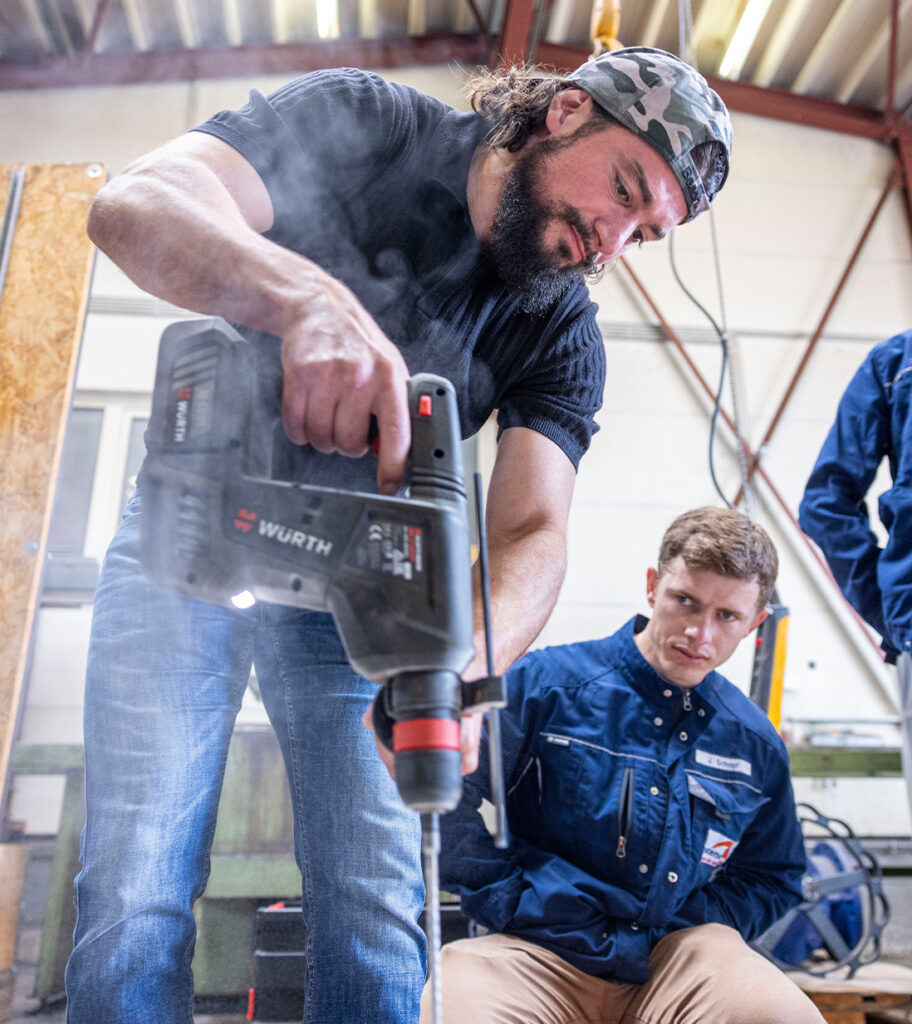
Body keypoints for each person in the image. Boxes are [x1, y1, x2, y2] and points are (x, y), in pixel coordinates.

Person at [68, 49, 732, 1024]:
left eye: (646, 231)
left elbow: (534, 529)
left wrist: (468, 662)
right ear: (565, 112)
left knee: (375, 909)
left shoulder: (560, 332)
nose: (612, 239)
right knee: (137, 884)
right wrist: (303, 298)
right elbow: (135, 205)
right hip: (190, 535)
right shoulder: (369, 126)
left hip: (365, 589)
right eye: (624, 189)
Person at [427, 506, 822, 1024]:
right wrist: (506, 898)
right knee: (450, 1013)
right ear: (653, 586)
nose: (700, 633)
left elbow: (772, 873)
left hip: (675, 959)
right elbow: (442, 791)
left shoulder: (754, 742)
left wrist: (698, 922)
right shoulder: (545, 686)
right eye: (685, 601)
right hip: (535, 949)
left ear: (754, 622)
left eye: (726, 616)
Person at [799, 328, 912, 832]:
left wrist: (896, 617)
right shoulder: (895, 363)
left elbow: (825, 505)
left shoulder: (897, 360)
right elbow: (826, 506)